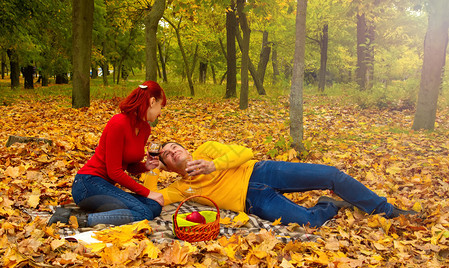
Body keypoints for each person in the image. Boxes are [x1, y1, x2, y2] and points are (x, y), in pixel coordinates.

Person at [143, 141, 417, 228]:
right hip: (253, 201)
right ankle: (328, 204)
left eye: (175, 146)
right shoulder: (179, 188)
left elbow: (245, 152)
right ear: (168, 165)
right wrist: (151, 170)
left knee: (332, 175)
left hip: (263, 171)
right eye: (166, 153)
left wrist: (214, 164)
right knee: (308, 222)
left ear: (186, 150)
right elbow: (153, 197)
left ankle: (385, 210)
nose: (172, 151)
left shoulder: (207, 149)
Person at [48, 81, 166, 227]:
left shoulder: (145, 128)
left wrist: (145, 166)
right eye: (161, 107)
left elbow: (129, 166)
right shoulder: (118, 123)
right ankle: (72, 219)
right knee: (144, 212)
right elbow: (114, 171)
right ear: (152, 101)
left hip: (106, 187)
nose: (161, 113)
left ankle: (104, 216)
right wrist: (148, 192)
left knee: (154, 206)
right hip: (88, 184)